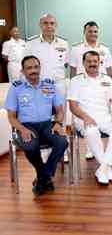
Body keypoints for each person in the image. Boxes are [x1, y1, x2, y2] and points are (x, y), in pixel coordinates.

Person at [4, 55, 68, 195]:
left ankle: (42, 177)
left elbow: (60, 111)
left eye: (36, 67)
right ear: (23, 71)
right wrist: (21, 128)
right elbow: (11, 117)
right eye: (29, 68)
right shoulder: (16, 88)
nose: (33, 70)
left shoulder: (49, 85)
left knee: (62, 141)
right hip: (26, 126)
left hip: (47, 125)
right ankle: (46, 178)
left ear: (40, 68)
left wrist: (58, 123)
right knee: (30, 146)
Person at [68, 51, 112, 185]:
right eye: (89, 61)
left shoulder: (106, 79)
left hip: (104, 116)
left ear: (100, 63)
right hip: (83, 117)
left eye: (95, 61)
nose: (93, 64)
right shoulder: (76, 81)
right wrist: (85, 117)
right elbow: (73, 106)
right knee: (92, 131)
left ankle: (103, 167)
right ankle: (106, 168)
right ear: (83, 63)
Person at [24, 14, 69, 96]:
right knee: (41, 108)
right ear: (40, 25)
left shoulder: (64, 43)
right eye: (45, 23)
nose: (49, 26)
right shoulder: (30, 43)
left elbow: (65, 64)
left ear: (56, 25)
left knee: (61, 108)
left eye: (52, 23)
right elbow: (24, 67)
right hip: (39, 85)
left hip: (59, 85)